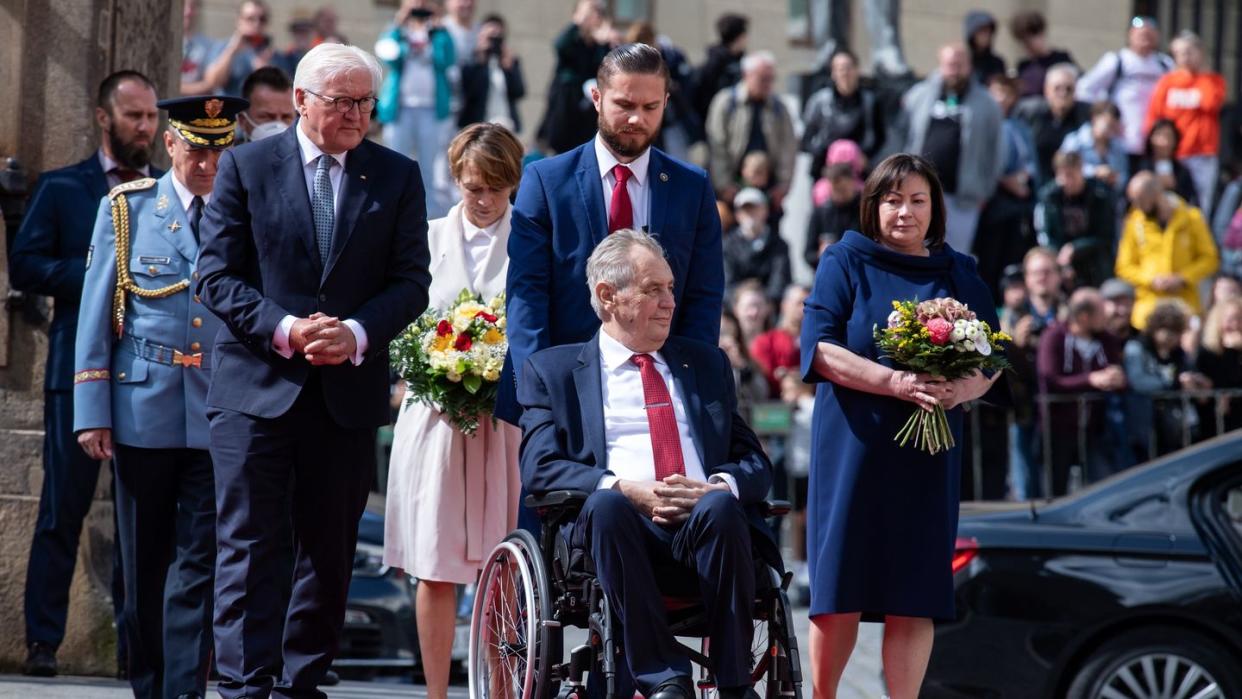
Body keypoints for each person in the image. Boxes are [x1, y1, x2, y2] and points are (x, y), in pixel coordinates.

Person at [196, 43, 432, 697]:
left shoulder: (396, 174)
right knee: (249, 543)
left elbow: (411, 282)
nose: (357, 114)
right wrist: (287, 328)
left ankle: (301, 680)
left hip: (346, 393)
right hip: (255, 387)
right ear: (301, 100)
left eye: (366, 102)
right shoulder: (246, 167)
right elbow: (213, 277)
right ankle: (246, 682)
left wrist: (354, 332)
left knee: (327, 549)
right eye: (342, 101)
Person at [516, 229, 777, 699]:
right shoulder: (552, 372)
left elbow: (755, 462)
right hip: (616, 538)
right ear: (607, 296)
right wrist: (622, 487)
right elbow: (539, 468)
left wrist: (719, 485)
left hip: (708, 534)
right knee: (607, 505)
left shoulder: (706, 365)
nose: (669, 301)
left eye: (671, 288)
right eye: (653, 289)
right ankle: (664, 677)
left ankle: (735, 683)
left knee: (720, 508)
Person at [800, 154, 1004, 698]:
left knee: (915, 591)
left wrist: (964, 388)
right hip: (854, 450)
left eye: (917, 200)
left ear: (935, 207)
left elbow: (993, 355)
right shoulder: (844, 260)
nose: (905, 212)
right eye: (892, 200)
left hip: (927, 458)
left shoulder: (958, 270)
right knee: (841, 584)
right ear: (873, 206)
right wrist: (894, 383)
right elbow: (820, 349)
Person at [73, 94, 246, 699]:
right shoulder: (127, 210)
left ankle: (182, 691)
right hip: (142, 411)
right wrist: (92, 412)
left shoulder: (241, 214)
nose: (208, 165)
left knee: (199, 565)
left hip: (216, 413)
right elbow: (96, 316)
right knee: (144, 568)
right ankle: (148, 685)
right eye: (197, 150)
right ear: (170, 144)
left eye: (219, 152)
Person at [10, 69, 159, 679]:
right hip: (78, 370)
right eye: (134, 117)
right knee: (59, 510)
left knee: (140, 521)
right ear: (104, 119)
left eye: (151, 117)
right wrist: (103, 276)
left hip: (147, 379)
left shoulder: (166, 194)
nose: (145, 128)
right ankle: (42, 642)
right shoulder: (66, 188)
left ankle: (134, 647)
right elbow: (26, 262)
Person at [498, 43, 724, 427]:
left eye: (651, 108)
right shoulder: (546, 181)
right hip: (564, 391)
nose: (637, 119)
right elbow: (527, 295)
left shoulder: (692, 186)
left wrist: (690, 381)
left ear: (666, 103)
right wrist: (539, 392)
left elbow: (703, 295)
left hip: (661, 391)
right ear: (597, 98)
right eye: (625, 105)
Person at [384, 123, 522, 699]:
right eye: (472, 187)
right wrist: (431, 364)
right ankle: (437, 694)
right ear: (455, 182)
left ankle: (499, 689)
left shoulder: (530, 242)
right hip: (436, 418)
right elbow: (401, 322)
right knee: (436, 564)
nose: (484, 199)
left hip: (503, 423)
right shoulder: (426, 236)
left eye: (495, 187)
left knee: (505, 567)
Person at [897, 43, 1003, 253]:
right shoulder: (918, 96)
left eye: (959, 65)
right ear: (940, 65)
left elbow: (997, 152)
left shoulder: (987, 104)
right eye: (950, 65)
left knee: (953, 258)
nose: (954, 70)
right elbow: (900, 138)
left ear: (969, 66)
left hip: (962, 199)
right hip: (919, 193)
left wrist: (985, 190)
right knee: (914, 253)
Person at [1036, 287, 1127, 492]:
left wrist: (1118, 379)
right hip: (1058, 430)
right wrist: (1091, 379)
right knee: (1054, 490)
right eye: (1102, 311)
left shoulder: (1106, 340)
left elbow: (1120, 378)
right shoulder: (1054, 336)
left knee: (1101, 488)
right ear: (1084, 316)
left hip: (1096, 430)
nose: (1108, 315)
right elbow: (1051, 379)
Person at [376, 0, 457, 219]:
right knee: (394, 160)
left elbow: (448, 59)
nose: (420, 10)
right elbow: (386, 53)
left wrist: (436, 30)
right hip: (401, 109)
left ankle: (428, 217)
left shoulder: (440, 33)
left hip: (431, 109)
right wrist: (398, 24)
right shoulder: (398, 31)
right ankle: (391, 211)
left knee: (428, 167)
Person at [1116, 171, 1218, 330]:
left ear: (1156, 196)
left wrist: (1183, 278)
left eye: (1141, 201)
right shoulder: (1135, 222)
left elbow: (1210, 259)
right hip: (1149, 305)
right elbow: (1124, 266)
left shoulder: (1192, 218)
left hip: (1185, 302)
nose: (1137, 206)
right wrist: (1151, 280)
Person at [1144, 31, 1226, 220]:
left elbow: (1211, 103)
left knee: (1198, 207)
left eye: (1189, 51)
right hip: (1172, 154)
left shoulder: (1213, 81)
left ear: (1200, 52)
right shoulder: (1168, 82)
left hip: (1200, 154)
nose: (1185, 57)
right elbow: (1155, 117)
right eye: (1179, 53)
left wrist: (1201, 74)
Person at [1076, 15, 1173, 169]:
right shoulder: (1117, 60)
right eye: (1141, 34)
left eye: (1150, 34)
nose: (1145, 38)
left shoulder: (1165, 64)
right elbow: (1084, 90)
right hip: (1122, 143)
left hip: (1154, 147)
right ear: (1130, 35)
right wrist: (1105, 116)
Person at [705, 51, 796, 207]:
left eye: (771, 79)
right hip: (732, 185)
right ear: (747, 75)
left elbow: (788, 148)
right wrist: (724, 184)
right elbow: (716, 145)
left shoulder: (779, 108)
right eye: (763, 79)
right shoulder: (726, 102)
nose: (768, 84)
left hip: (768, 188)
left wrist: (783, 186)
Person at [976, 73, 1037, 299]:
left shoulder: (1019, 127)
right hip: (991, 204)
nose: (1001, 98)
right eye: (997, 92)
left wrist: (1022, 180)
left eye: (1007, 93)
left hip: (1016, 204)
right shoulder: (981, 124)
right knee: (989, 261)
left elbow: (1030, 162)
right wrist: (1005, 180)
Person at [1124, 301, 1211, 457]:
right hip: (1146, 423)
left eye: (1176, 332)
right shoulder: (1137, 348)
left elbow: (1190, 373)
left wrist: (1196, 381)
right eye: (1166, 330)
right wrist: (1175, 384)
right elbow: (1138, 382)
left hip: (1175, 425)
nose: (1170, 336)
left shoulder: (1178, 354)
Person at [1034, 150, 1118, 288]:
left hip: (1094, 260)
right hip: (1060, 258)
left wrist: (1075, 248)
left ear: (1081, 170)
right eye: (1063, 175)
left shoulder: (1099, 195)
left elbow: (1105, 235)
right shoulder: (1049, 197)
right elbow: (1045, 234)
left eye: (1071, 175)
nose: (1068, 181)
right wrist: (1061, 260)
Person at [536, 0, 610, 155]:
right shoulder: (573, 39)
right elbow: (559, 46)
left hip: (587, 113)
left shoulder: (599, 45)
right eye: (589, 12)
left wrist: (606, 41)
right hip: (564, 108)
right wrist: (579, 21)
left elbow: (605, 67)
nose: (593, 17)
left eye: (596, 13)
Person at [800, 49, 885, 179]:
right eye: (840, 69)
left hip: (859, 175)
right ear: (833, 73)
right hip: (825, 174)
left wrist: (866, 157)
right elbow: (807, 139)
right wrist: (825, 155)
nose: (845, 73)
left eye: (849, 68)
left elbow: (880, 138)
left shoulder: (870, 102)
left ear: (857, 70)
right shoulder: (819, 102)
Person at [1012, 63, 1090, 188]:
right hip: (1032, 184)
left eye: (1069, 88)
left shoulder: (1084, 116)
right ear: (1046, 90)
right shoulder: (1028, 113)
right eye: (1057, 88)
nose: (1063, 93)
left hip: (1069, 188)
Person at [457, 13, 525, 132]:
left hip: (504, 123)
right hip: (478, 124)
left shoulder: (509, 61)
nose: (493, 42)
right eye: (490, 37)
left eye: (497, 38)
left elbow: (519, 92)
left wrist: (509, 68)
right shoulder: (472, 61)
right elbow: (469, 92)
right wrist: (480, 60)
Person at [722, 187, 790, 306]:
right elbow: (727, 284)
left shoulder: (779, 245)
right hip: (736, 309)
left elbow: (780, 282)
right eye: (745, 210)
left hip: (770, 310)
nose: (750, 214)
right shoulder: (727, 246)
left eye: (755, 208)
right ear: (737, 215)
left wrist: (761, 304)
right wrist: (744, 304)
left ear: (765, 211)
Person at [202, 0, 278, 98]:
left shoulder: (272, 53)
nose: (256, 23)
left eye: (262, 19)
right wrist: (231, 51)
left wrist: (265, 71)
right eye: (250, 19)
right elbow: (212, 82)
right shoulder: (223, 46)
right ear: (239, 20)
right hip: (229, 109)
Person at [1058, 101, 1130, 194]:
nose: (1110, 129)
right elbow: (1064, 169)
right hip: (1076, 195)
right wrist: (1094, 172)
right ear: (1094, 119)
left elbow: (1123, 177)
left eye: (1114, 125)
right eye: (1108, 124)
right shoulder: (1075, 140)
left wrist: (1113, 178)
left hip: (1108, 198)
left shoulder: (1118, 146)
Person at [750, 284, 808, 397]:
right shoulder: (765, 342)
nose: (803, 309)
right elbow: (763, 378)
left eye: (807, 304)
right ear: (784, 305)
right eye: (799, 303)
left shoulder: (818, 343)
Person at [692, 13, 748, 129]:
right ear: (738, 37)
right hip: (717, 123)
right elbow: (703, 97)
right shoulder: (714, 62)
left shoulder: (743, 61)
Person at [1196, 297, 1242, 434]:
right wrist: (1229, 351)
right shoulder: (1207, 352)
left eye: (1239, 319)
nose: (1235, 325)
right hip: (1215, 420)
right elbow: (1219, 379)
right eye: (1231, 319)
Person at [806, 162, 861, 268]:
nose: (839, 194)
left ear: (852, 183)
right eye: (835, 190)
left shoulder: (865, 210)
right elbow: (808, 254)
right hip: (830, 270)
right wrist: (821, 254)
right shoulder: (820, 213)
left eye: (843, 189)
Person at [1136, 119, 1199, 205]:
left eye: (1169, 137)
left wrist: (1175, 186)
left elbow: (1191, 199)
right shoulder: (1142, 166)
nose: (1164, 142)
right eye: (1160, 135)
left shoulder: (1182, 170)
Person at [720, 310, 770, 420]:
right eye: (722, 334)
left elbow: (761, 395)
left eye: (732, 334)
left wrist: (743, 368)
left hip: (744, 424)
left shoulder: (747, 361)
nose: (728, 340)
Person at [237, 66, 295, 143]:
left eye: (286, 117)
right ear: (242, 121)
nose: (278, 125)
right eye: (267, 117)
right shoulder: (225, 154)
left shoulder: (308, 154)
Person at [181, 0, 222, 96]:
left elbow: (209, 85)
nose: (188, 12)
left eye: (192, 7)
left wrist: (180, 88)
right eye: (183, 5)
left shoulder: (209, 46)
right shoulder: (164, 43)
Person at [964, 10, 1004, 86]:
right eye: (982, 31)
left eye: (989, 32)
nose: (986, 35)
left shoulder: (997, 63)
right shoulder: (964, 61)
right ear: (972, 34)